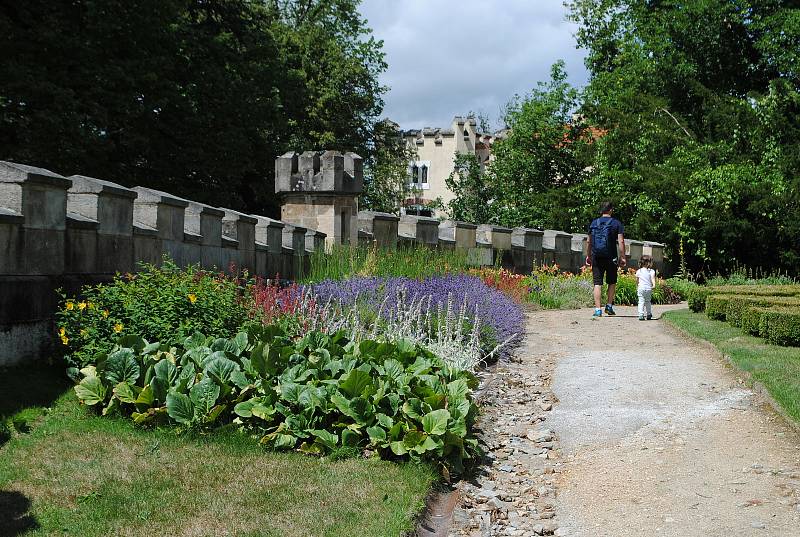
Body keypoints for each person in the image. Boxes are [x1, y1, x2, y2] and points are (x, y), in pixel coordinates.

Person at [585, 201, 626, 317]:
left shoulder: (594, 223)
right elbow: (621, 241)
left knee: (597, 283)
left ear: (601, 210)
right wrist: (622, 257)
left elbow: (589, 241)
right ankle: (609, 306)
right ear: (611, 210)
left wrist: (588, 256)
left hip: (596, 256)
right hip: (611, 256)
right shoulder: (616, 223)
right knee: (612, 282)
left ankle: (598, 310)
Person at [635, 255, 656, 320]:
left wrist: (637, 286)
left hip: (641, 288)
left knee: (641, 301)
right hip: (648, 289)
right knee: (648, 302)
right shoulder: (651, 271)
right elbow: (652, 279)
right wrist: (654, 285)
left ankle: (641, 314)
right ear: (648, 263)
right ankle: (649, 314)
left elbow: (637, 280)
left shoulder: (639, 271)